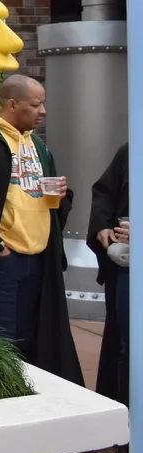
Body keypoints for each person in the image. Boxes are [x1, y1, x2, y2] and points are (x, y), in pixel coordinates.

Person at [0, 74, 83, 384]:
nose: (42, 110)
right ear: (13, 104)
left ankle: (27, 391)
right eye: (36, 104)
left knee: (32, 333)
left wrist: (61, 196)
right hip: (4, 256)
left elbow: (44, 198)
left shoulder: (39, 145)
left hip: (38, 256)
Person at [88, 142, 129, 406]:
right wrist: (102, 225)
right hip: (127, 267)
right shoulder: (132, 150)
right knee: (127, 345)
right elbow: (105, 191)